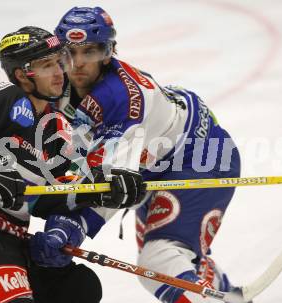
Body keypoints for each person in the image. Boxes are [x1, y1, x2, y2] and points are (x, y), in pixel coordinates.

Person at [0, 25, 145, 303]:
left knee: (78, 289)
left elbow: (51, 195)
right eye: (46, 66)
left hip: (11, 239)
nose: (58, 72)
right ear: (21, 74)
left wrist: (101, 187)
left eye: (60, 62)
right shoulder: (6, 97)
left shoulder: (57, 127)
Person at [49, 6, 242, 303]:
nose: (77, 64)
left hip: (201, 155)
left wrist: (71, 224)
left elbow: (107, 187)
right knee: (174, 256)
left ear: (109, 52)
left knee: (160, 259)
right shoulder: (58, 87)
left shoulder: (122, 100)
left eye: (90, 52)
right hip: (154, 162)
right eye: (69, 53)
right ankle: (227, 296)